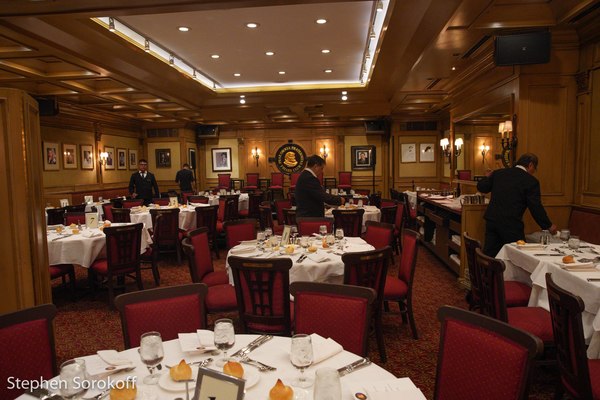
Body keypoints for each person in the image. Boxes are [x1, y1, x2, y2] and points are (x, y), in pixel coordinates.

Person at [477, 153, 557, 256]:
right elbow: (535, 207)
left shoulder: (499, 173)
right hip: (511, 224)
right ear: (531, 165)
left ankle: (487, 273)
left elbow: (481, 187)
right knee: (518, 256)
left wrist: (487, 177)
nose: (533, 172)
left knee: (490, 255)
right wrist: (548, 225)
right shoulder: (531, 181)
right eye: (534, 169)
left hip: (492, 220)